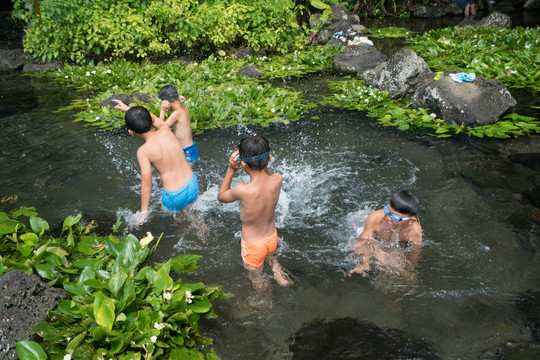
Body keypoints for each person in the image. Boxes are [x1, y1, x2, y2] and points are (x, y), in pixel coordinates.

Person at [217, 136, 291, 303]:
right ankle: (277, 270)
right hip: (272, 237)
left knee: (256, 276)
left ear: (243, 164)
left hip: (253, 246)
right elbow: (266, 174)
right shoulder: (277, 179)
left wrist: (230, 168)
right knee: (269, 253)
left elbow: (221, 196)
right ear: (269, 159)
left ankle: (265, 300)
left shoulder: (242, 190)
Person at [123, 106, 198, 216]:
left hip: (174, 195)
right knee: (193, 215)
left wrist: (144, 212)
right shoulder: (165, 129)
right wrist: (128, 109)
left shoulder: (143, 151)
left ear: (131, 132)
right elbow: (151, 117)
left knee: (179, 223)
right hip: (192, 183)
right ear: (152, 120)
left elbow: (146, 183)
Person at [348, 190, 422, 276]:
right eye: (387, 211)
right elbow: (362, 241)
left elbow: (415, 255)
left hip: (388, 245)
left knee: (400, 269)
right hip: (372, 239)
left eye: (395, 217)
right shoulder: (375, 217)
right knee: (355, 248)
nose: (388, 218)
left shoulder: (414, 231)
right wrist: (364, 263)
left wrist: (409, 270)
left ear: (410, 220)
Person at [158, 85, 199, 163]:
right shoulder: (185, 110)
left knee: (185, 175)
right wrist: (176, 100)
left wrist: (163, 111)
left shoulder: (176, 114)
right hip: (192, 148)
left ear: (167, 102)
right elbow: (176, 105)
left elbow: (161, 129)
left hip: (186, 152)